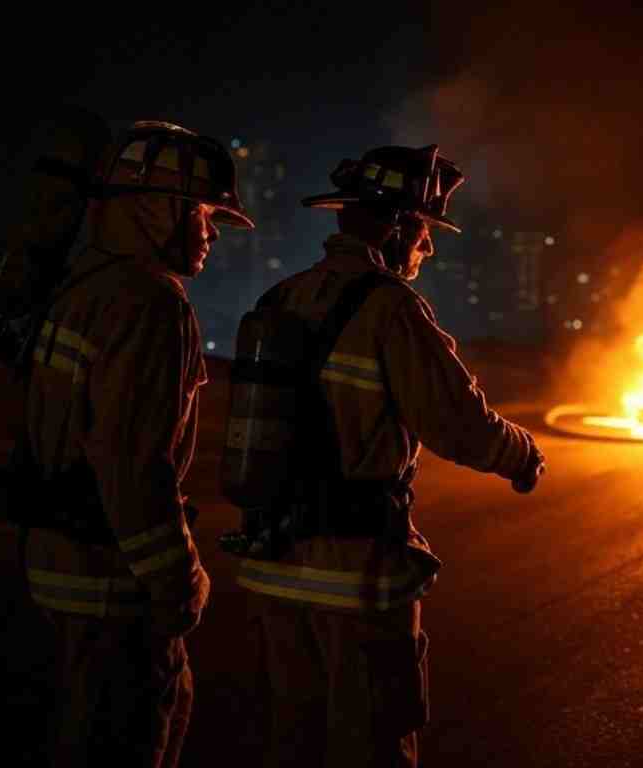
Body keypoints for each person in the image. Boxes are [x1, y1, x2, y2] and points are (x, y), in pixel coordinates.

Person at [231, 144, 546, 767]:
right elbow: (459, 423)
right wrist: (522, 456)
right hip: (355, 575)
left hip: (272, 566)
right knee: (369, 742)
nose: (426, 250)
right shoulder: (391, 308)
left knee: (291, 741)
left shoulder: (280, 298)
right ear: (399, 227)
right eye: (425, 232)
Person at [16, 119, 254, 767]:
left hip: (52, 578)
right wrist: (181, 586)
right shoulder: (151, 303)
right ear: (156, 210)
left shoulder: (80, 290)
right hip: (112, 593)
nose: (209, 232)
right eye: (202, 214)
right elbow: (132, 467)